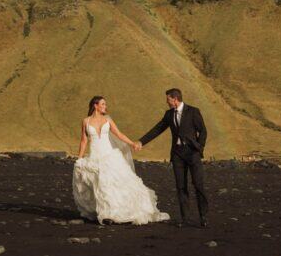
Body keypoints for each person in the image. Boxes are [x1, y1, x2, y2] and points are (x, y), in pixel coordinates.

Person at [71, 96, 170, 225]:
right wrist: (79, 158)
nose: (105, 106)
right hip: (95, 156)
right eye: (103, 104)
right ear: (95, 105)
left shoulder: (107, 119)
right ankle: (106, 212)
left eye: (105, 104)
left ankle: (113, 213)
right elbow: (84, 140)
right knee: (101, 185)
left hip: (109, 155)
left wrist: (132, 144)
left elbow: (119, 134)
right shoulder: (86, 121)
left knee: (112, 183)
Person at [135, 88, 209, 228]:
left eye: (168, 100)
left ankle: (203, 217)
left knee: (198, 185)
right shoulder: (169, 114)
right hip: (177, 155)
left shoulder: (193, 111)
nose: (167, 102)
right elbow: (158, 129)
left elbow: (203, 130)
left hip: (192, 153)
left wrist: (200, 147)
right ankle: (185, 218)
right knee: (181, 187)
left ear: (175, 99)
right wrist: (141, 142)